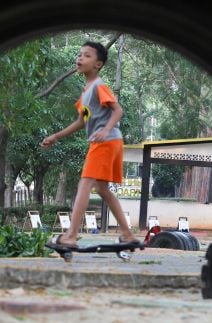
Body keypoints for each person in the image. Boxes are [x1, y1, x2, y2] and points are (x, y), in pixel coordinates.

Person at [41, 41, 139, 248]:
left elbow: (118, 110)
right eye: (79, 55)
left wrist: (104, 129)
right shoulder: (86, 92)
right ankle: (128, 235)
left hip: (106, 141)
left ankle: (70, 236)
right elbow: (81, 121)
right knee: (103, 190)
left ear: (98, 64)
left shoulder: (99, 86)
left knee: (85, 184)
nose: (80, 58)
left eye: (86, 55)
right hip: (110, 141)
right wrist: (56, 136)